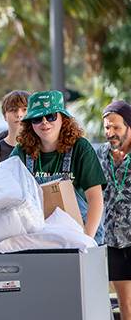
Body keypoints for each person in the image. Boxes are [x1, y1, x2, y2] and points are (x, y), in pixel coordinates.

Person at [10, 90, 107, 244]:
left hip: (80, 235)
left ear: (63, 118)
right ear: (30, 124)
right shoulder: (21, 152)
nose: (44, 122)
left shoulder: (81, 148)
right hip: (40, 238)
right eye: (37, 118)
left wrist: (86, 241)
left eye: (50, 116)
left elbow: (95, 199)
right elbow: (10, 195)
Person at [97, 100, 131, 320]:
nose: (111, 133)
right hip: (115, 239)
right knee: (125, 302)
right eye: (107, 127)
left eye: (116, 128)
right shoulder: (100, 154)